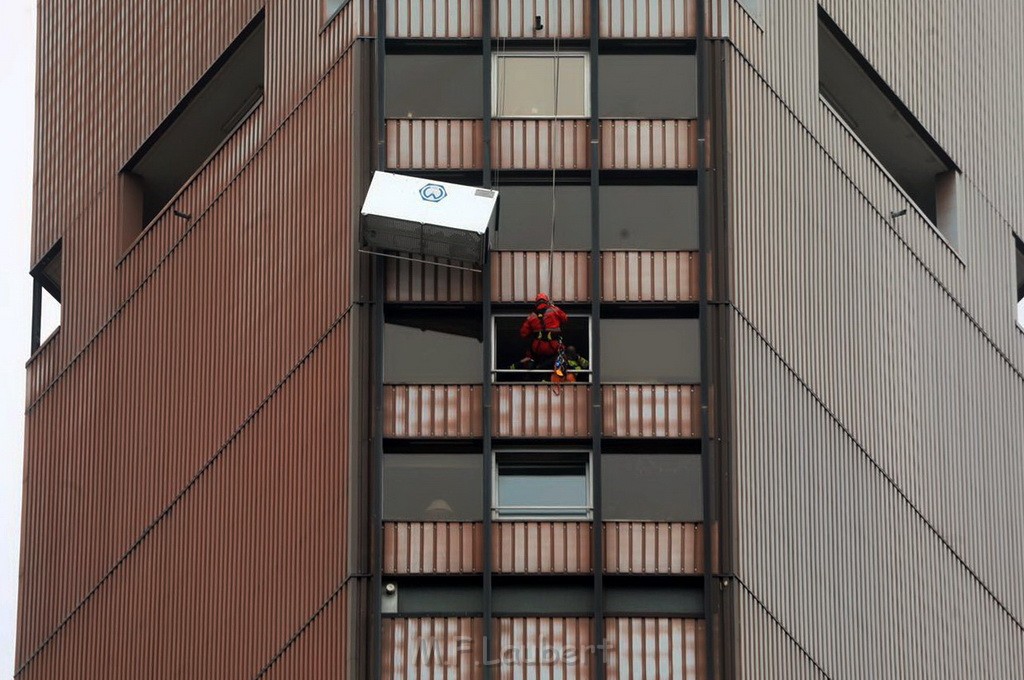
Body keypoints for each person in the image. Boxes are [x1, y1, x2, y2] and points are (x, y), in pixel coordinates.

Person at [515, 293, 568, 370]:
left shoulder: (531, 316)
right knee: (562, 356)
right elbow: (565, 319)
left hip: (538, 348)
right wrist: (553, 306)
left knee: (530, 355)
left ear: (536, 303)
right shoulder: (554, 310)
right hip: (554, 346)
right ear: (547, 302)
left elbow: (524, 334)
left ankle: (533, 368)